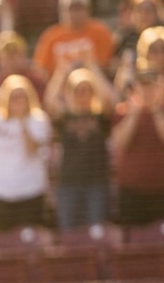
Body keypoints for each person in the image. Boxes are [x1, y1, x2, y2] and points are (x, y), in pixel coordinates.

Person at [44, 64, 116, 231]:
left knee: (96, 232)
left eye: (87, 90)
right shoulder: (65, 118)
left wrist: (93, 66)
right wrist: (61, 72)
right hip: (68, 183)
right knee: (68, 234)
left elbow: (110, 99)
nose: (82, 95)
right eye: (78, 90)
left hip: (97, 184)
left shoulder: (100, 118)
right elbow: (50, 102)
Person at [113, 68, 164, 224]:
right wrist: (134, 112)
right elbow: (121, 143)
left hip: (163, 188)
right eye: (143, 87)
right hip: (131, 190)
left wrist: (156, 109)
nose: (147, 91)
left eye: (152, 87)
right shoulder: (123, 111)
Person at [0, 76, 52, 231]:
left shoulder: (39, 120)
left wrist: (22, 121)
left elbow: (32, 149)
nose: (18, 101)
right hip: (2, 192)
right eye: (13, 97)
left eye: (22, 96)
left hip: (31, 191)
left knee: (31, 239)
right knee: (7, 244)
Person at [34, 0, 115, 78]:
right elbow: (42, 70)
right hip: (62, 85)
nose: (75, 13)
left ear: (88, 10)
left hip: (93, 82)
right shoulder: (51, 37)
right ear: (62, 10)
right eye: (71, 8)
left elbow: (108, 64)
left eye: (78, 8)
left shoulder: (100, 32)